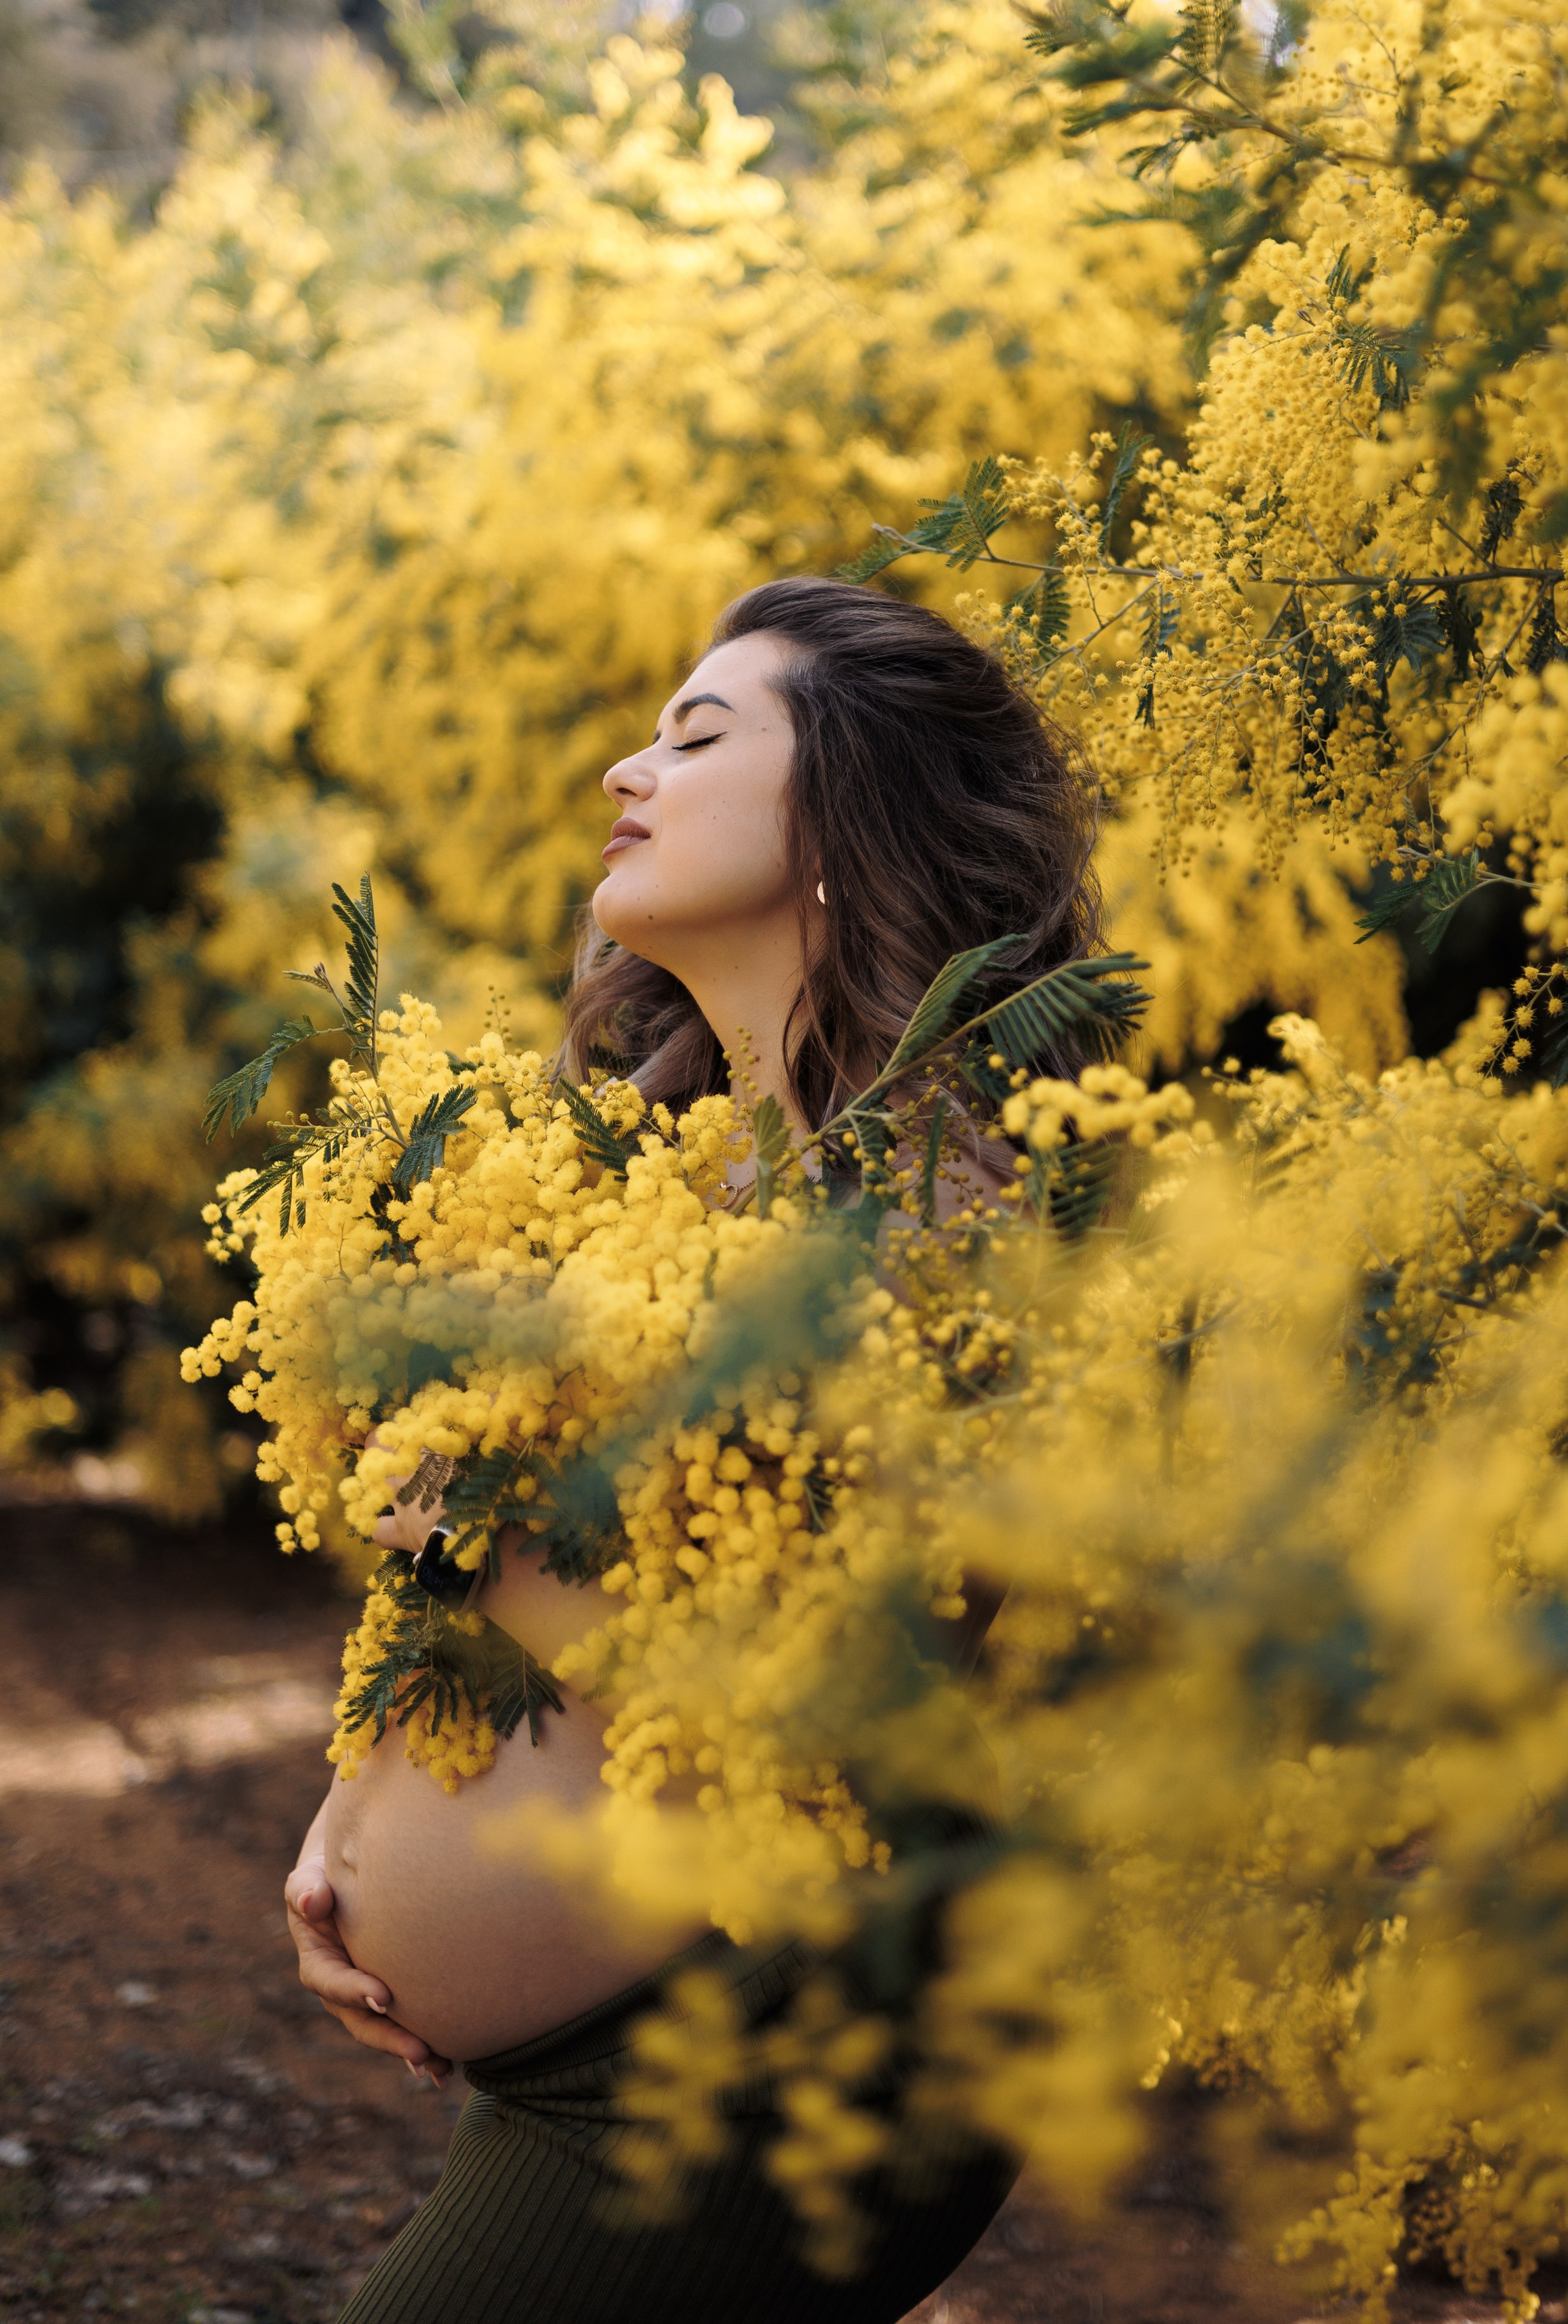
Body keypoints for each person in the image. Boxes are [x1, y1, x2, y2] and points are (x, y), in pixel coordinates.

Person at [284, 575, 1105, 2322]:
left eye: (697, 732)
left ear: (847, 821)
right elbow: (475, 1594)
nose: (620, 769)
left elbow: (890, 1717)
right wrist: (348, 1826)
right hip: (594, 2067)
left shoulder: (939, 1221)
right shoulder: (639, 1173)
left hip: (752, 2079)